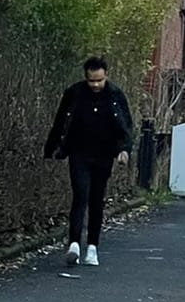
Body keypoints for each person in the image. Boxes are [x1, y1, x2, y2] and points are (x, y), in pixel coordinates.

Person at [44, 55, 133, 267]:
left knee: (96, 199)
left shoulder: (115, 95)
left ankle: (92, 246)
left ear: (106, 76)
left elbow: (125, 125)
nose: (95, 85)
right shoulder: (74, 94)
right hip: (79, 152)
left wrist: (124, 150)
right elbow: (60, 122)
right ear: (86, 77)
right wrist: (52, 148)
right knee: (80, 194)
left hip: (104, 154)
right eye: (91, 80)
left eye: (99, 80)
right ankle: (74, 243)